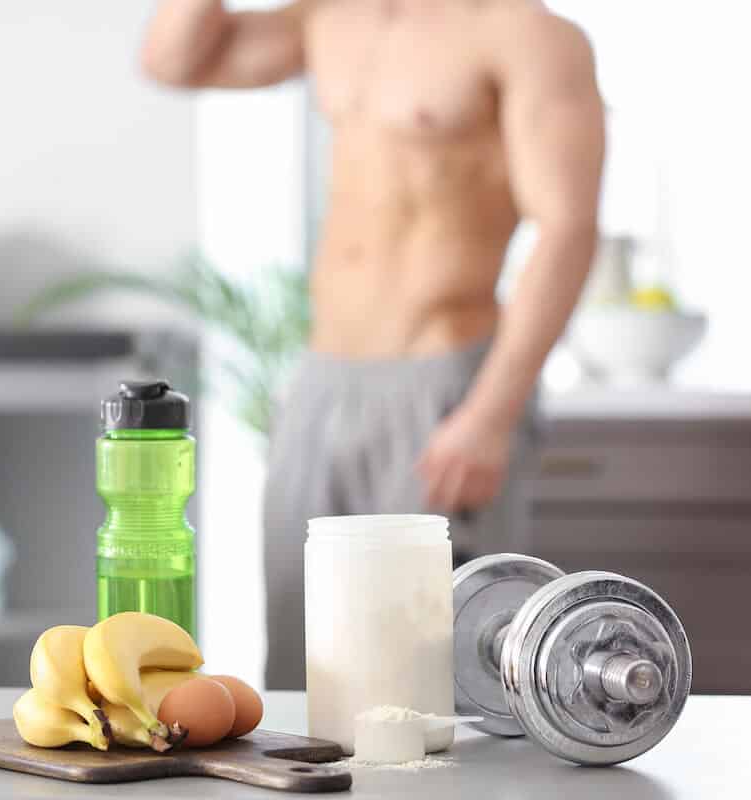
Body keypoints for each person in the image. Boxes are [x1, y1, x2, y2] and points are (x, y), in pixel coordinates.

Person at [140, 0, 604, 689]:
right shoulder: (328, 17)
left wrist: (490, 416)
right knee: (307, 662)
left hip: (444, 384)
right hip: (322, 383)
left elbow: (568, 226)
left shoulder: (523, 32)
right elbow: (175, 61)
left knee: (435, 669)